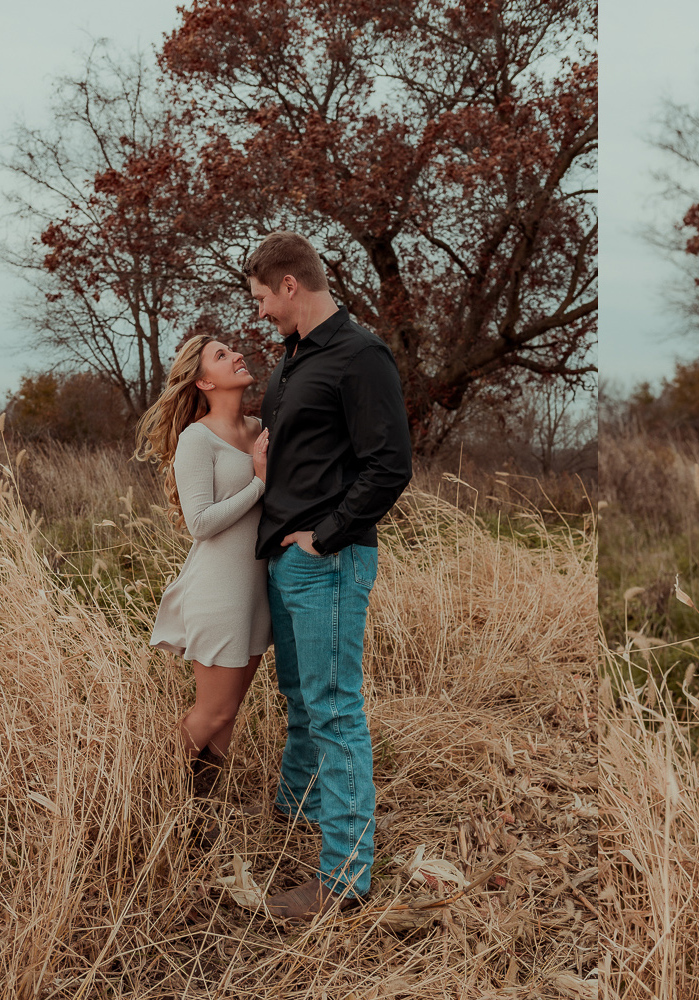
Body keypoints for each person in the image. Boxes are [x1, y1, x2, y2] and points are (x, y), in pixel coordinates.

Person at [244, 231, 413, 921]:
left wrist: (328, 537)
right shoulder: (292, 359)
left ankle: (344, 881)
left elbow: (390, 465)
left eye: (260, 299)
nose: (258, 314)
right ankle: (298, 820)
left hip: (329, 564)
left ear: (290, 285)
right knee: (302, 703)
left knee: (336, 712)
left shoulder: (359, 355)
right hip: (288, 560)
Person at [139, 335, 272, 795]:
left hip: (257, 593)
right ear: (203, 381)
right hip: (218, 592)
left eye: (232, 350)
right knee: (211, 712)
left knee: (228, 715)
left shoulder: (261, 430)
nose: (236, 355)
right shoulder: (197, 439)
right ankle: (141, 798)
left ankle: (199, 816)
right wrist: (257, 484)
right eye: (221, 355)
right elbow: (199, 522)